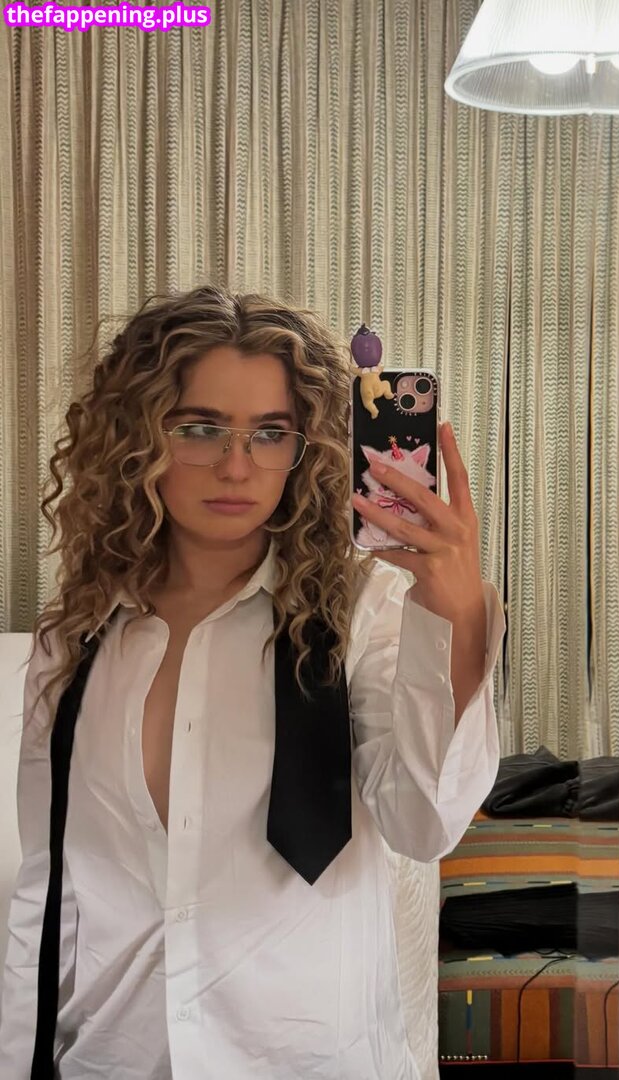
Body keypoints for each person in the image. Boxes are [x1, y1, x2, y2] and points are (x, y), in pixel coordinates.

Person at [0, 285, 505, 1079]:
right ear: (137, 436)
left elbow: (423, 821)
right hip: (112, 1058)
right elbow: (47, 886)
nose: (237, 466)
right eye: (200, 428)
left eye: (270, 433)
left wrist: (458, 611)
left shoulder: (364, 614)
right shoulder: (76, 641)